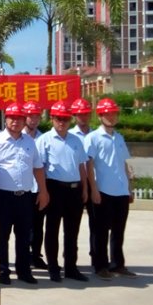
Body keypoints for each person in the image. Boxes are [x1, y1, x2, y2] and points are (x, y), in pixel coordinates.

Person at [0, 102, 49, 285]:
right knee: (1, 236)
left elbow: (38, 168)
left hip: (25, 196)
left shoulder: (30, 142)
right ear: (6, 119)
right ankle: (2, 270)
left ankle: (24, 270)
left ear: (24, 120)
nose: (16, 122)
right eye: (12, 118)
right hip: (2, 196)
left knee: (24, 235)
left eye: (19, 118)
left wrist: (43, 191)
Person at [35, 101, 89, 282]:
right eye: (58, 118)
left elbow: (81, 166)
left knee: (72, 231)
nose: (62, 122)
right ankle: (53, 267)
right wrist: (43, 191)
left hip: (74, 190)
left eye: (65, 119)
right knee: (52, 230)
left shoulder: (76, 140)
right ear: (52, 119)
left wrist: (85, 188)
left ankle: (71, 267)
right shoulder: (44, 140)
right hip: (54, 188)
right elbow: (39, 168)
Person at [84, 98, 136, 280]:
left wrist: (129, 188)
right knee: (101, 232)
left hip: (121, 191)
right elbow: (88, 165)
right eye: (107, 114)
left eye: (113, 114)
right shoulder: (93, 138)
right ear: (100, 116)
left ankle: (118, 264)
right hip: (103, 191)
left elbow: (124, 164)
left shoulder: (119, 137)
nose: (111, 117)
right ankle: (100, 266)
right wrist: (94, 189)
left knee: (119, 231)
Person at [70, 97, 96, 264]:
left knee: (97, 224)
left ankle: (97, 257)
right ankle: (71, 259)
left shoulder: (96, 135)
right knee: (73, 225)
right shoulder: (70, 136)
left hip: (95, 184)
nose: (83, 117)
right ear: (74, 116)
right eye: (80, 114)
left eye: (86, 114)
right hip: (76, 184)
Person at [22, 100, 47, 270]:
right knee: (24, 226)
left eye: (36, 116)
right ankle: (24, 256)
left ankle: (36, 255)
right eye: (30, 116)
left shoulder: (44, 138)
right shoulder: (17, 136)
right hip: (22, 189)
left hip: (39, 188)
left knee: (38, 225)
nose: (33, 119)